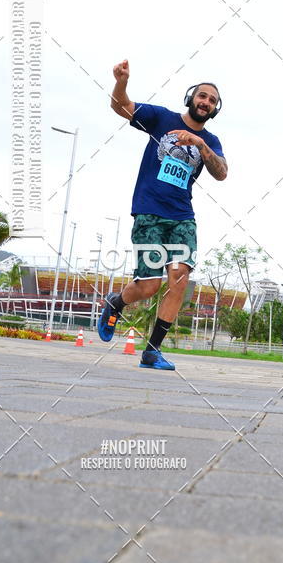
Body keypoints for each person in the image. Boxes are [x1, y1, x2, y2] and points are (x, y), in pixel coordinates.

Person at [97, 60, 227, 369]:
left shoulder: (211, 141)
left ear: (214, 109)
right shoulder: (161, 119)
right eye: (202, 96)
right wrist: (121, 82)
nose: (205, 102)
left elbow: (221, 173)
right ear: (191, 98)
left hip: (182, 216)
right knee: (149, 285)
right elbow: (121, 106)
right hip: (150, 210)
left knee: (179, 279)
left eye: (211, 100)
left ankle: (152, 351)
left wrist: (200, 145)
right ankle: (116, 302)